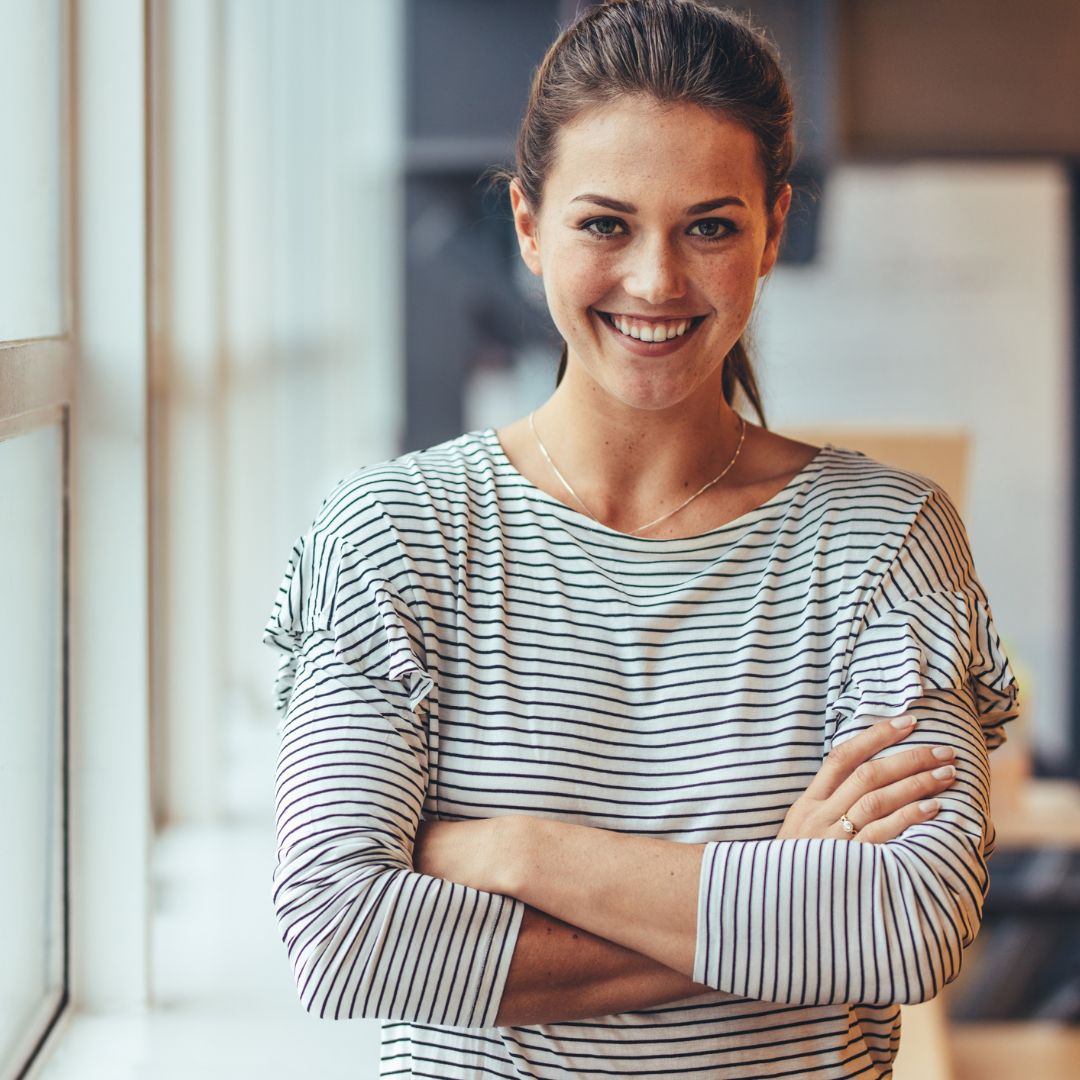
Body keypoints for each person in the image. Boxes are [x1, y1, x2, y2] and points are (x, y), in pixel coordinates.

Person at [262, 1, 1020, 1076]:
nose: (657, 281)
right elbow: (339, 941)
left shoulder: (884, 539)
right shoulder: (394, 535)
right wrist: (777, 892)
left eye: (709, 225)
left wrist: (522, 852)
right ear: (528, 225)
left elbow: (907, 921)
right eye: (604, 224)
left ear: (772, 230)